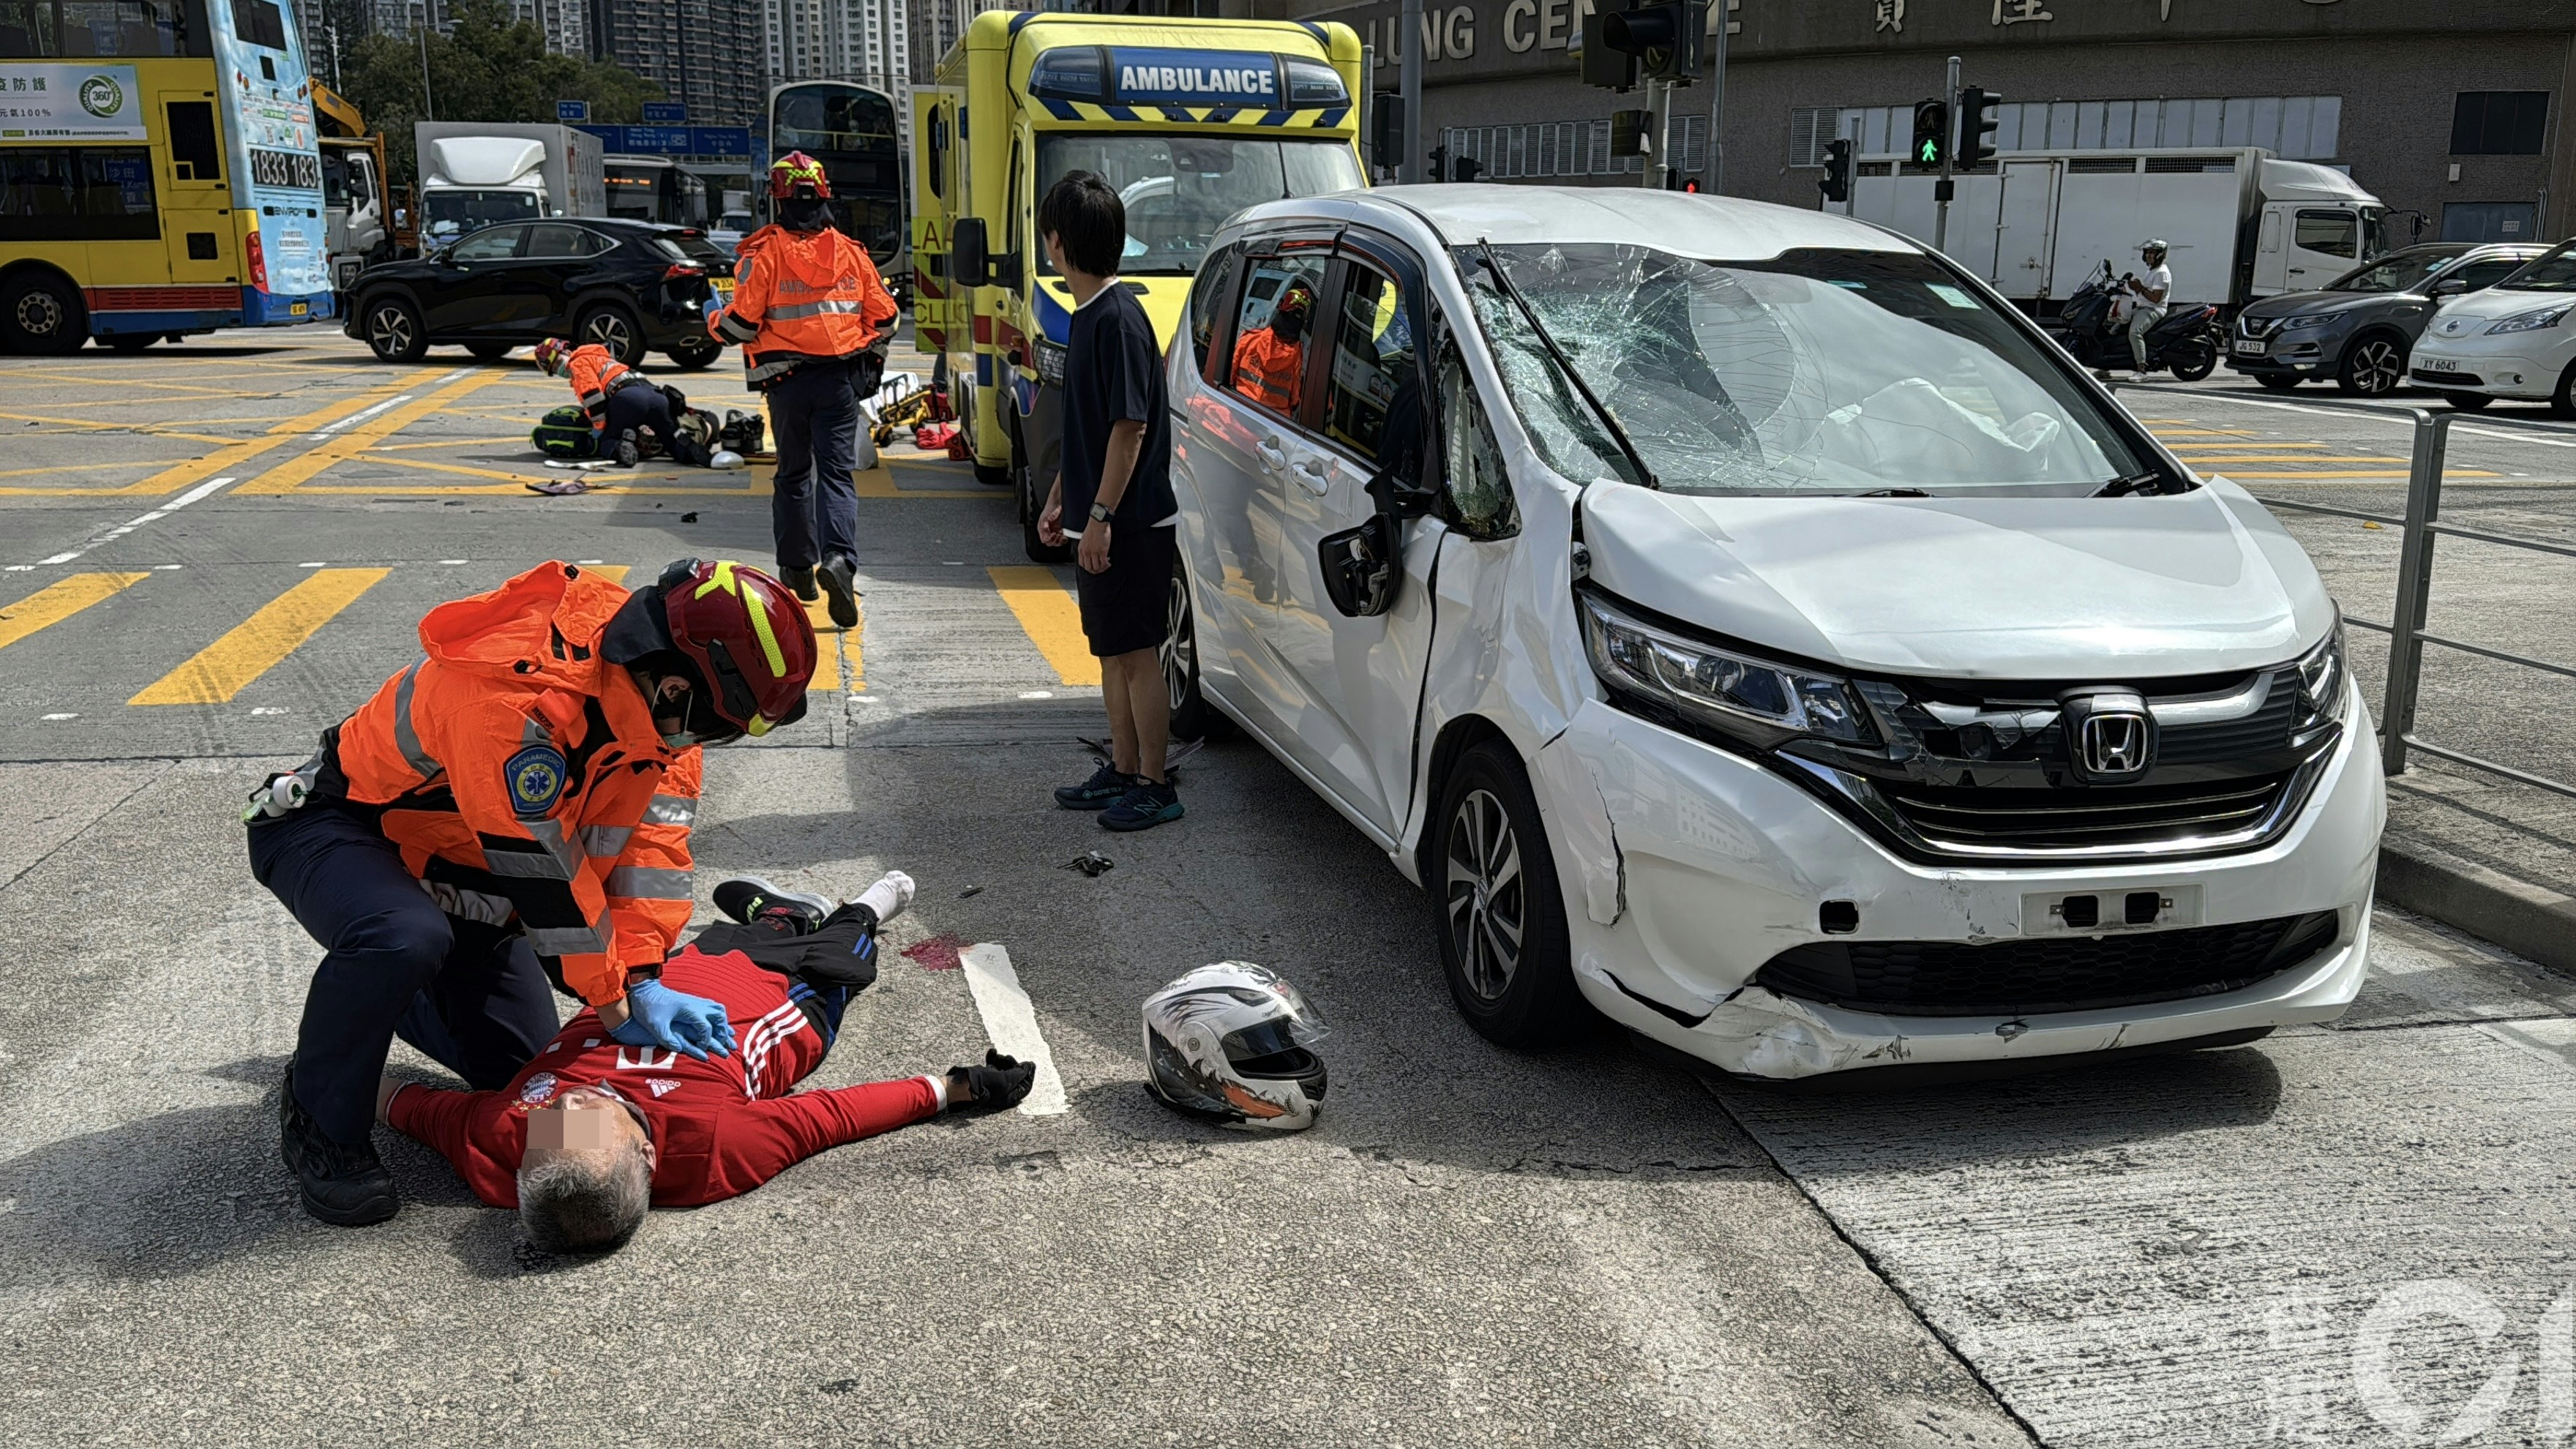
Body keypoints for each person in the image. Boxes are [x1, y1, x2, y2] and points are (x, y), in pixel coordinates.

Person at [247, 557, 820, 1228]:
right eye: (721, 725)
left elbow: (647, 861)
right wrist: (614, 1002)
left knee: (525, 1080)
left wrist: (643, 976)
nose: (711, 742)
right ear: (673, 688)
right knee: (404, 937)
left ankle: (365, 1014)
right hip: (338, 828)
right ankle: (322, 1119)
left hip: (462, 876)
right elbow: (543, 873)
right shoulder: (513, 703)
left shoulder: (662, 736)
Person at [381, 871, 1036, 1254]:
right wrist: (958, 1088)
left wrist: (337, 1078)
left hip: (669, 981)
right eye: (585, 1119)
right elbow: (834, 1117)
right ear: (648, 1158)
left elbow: (399, 1103)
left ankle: (782, 914)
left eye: (550, 1120)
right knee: (840, 955)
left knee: (732, 934)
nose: (567, 1103)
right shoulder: (719, 1146)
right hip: (784, 1000)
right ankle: (863, 908)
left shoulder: (503, 1140)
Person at [1035, 171, 1185, 834]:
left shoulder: (1119, 320)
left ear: (1057, 242)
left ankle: (1156, 781)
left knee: (1136, 653)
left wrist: (1097, 520)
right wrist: (1061, 498)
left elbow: (1131, 429)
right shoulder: (1088, 315)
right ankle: (1122, 768)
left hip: (1131, 523)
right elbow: (1090, 428)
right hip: (1098, 519)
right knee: (1110, 651)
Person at [705, 151, 899, 629]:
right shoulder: (852, 253)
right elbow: (887, 317)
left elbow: (742, 325)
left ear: (778, 199)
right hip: (838, 382)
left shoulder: (764, 255)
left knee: (794, 475)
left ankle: (796, 569)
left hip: (786, 383)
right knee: (837, 476)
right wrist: (867, 355)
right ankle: (840, 562)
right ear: (825, 198)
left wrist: (713, 319)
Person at [533, 337, 671, 468]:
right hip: (657, 396)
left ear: (568, 352)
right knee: (672, 438)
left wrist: (599, 427)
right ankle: (687, 451)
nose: (560, 369)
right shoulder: (603, 358)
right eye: (555, 370)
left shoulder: (578, 364)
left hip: (628, 399)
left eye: (558, 363)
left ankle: (621, 449)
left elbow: (593, 398)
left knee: (606, 443)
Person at [1229, 281, 1313, 416]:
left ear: (1280, 307)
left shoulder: (1250, 339)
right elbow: (1295, 401)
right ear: (1304, 322)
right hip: (1274, 425)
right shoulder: (1299, 360)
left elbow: (1229, 375)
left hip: (1239, 411)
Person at [2121, 239, 2172, 375]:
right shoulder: (2152, 270)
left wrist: (2141, 288)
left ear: (2160, 254)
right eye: (2147, 252)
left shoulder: (2161, 273)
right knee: (2115, 324)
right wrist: (2135, 288)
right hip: (2142, 307)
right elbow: (2145, 292)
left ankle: (2141, 369)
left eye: (2152, 253)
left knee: (2134, 332)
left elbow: (2156, 299)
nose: (2148, 255)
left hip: (2153, 310)